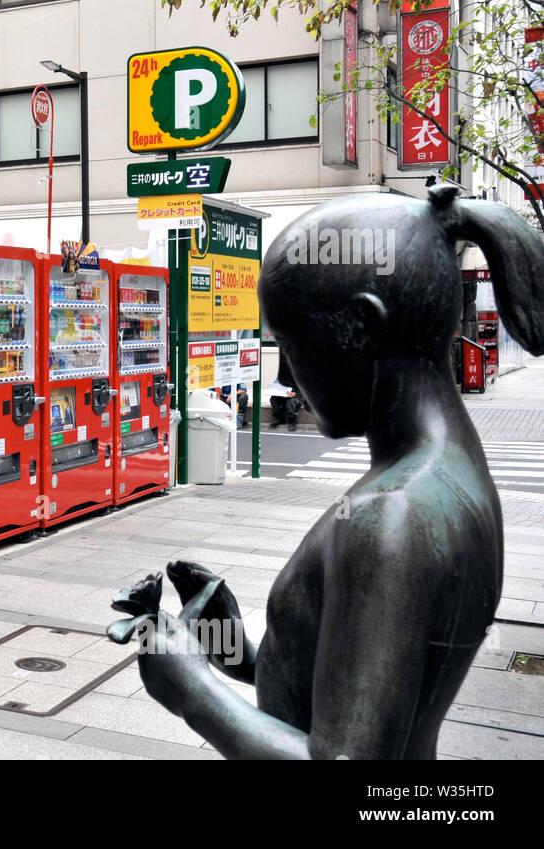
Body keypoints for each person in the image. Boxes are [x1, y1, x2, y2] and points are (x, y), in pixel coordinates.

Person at [108, 183, 544, 759]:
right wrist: (239, 651)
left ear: (363, 328)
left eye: (291, 344)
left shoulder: (391, 516)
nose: (288, 370)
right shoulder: (449, 473)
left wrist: (191, 688)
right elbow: (371, 690)